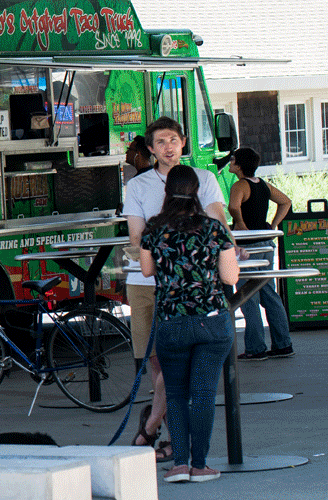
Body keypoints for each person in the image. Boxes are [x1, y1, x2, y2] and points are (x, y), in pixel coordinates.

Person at [121, 117, 228, 462]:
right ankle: (171, 440)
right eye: (160, 142)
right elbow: (137, 238)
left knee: (180, 373)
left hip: (191, 286)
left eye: (173, 140)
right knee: (158, 365)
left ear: (184, 142)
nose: (168, 147)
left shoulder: (206, 179)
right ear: (150, 149)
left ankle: (154, 427)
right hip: (147, 283)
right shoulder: (138, 186)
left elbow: (218, 219)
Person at [139, 165, 239, 483]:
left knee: (178, 394)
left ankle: (179, 464)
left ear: (167, 191)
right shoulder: (213, 229)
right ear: (197, 192)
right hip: (211, 322)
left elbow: (146, 270)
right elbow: (229, 277)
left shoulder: (154, 229)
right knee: (204, 393)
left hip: (172, 322)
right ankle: (200, 464)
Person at [223, 148, 295, 360]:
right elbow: (286, 201)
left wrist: (241, 224)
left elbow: (233, 206)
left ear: (239, 165)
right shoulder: (262, 184)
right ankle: (283, 344)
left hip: (248, 246)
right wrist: (273, 225)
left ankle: (256, 348)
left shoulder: (239, 185)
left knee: (247, 296)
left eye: (233, 160)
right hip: (265, 243)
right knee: (269, 294)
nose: (230, 162)